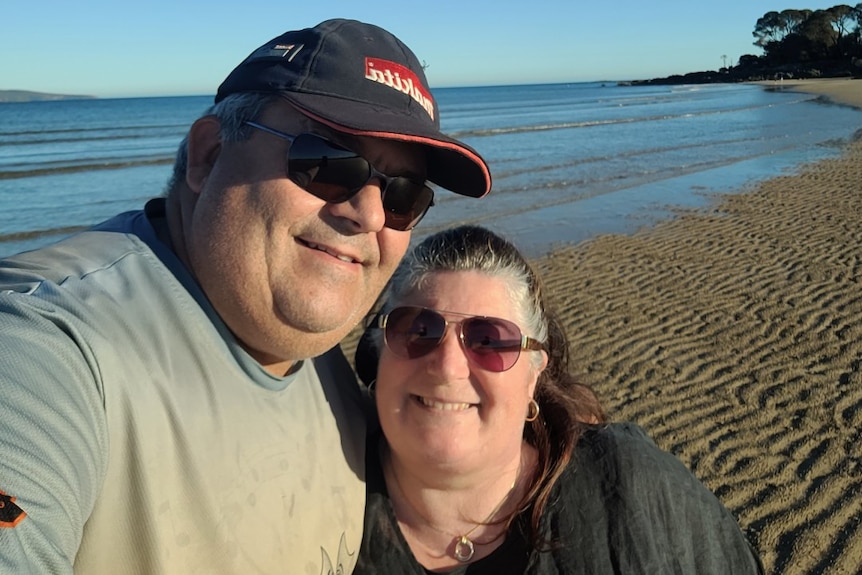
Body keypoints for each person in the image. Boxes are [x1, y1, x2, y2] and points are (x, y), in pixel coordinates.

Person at [0, 20, 491, 575]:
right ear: (209, 155)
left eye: (404, 194)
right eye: (328, 163)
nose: (371, 215)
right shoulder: (45, 349)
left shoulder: (323, 364)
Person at [352, 225, 765, 574]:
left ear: (533, 375)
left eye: (488, 340)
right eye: (419, 330)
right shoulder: (325, 499)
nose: (447, 366)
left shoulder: (628, 486)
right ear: (379, 351)